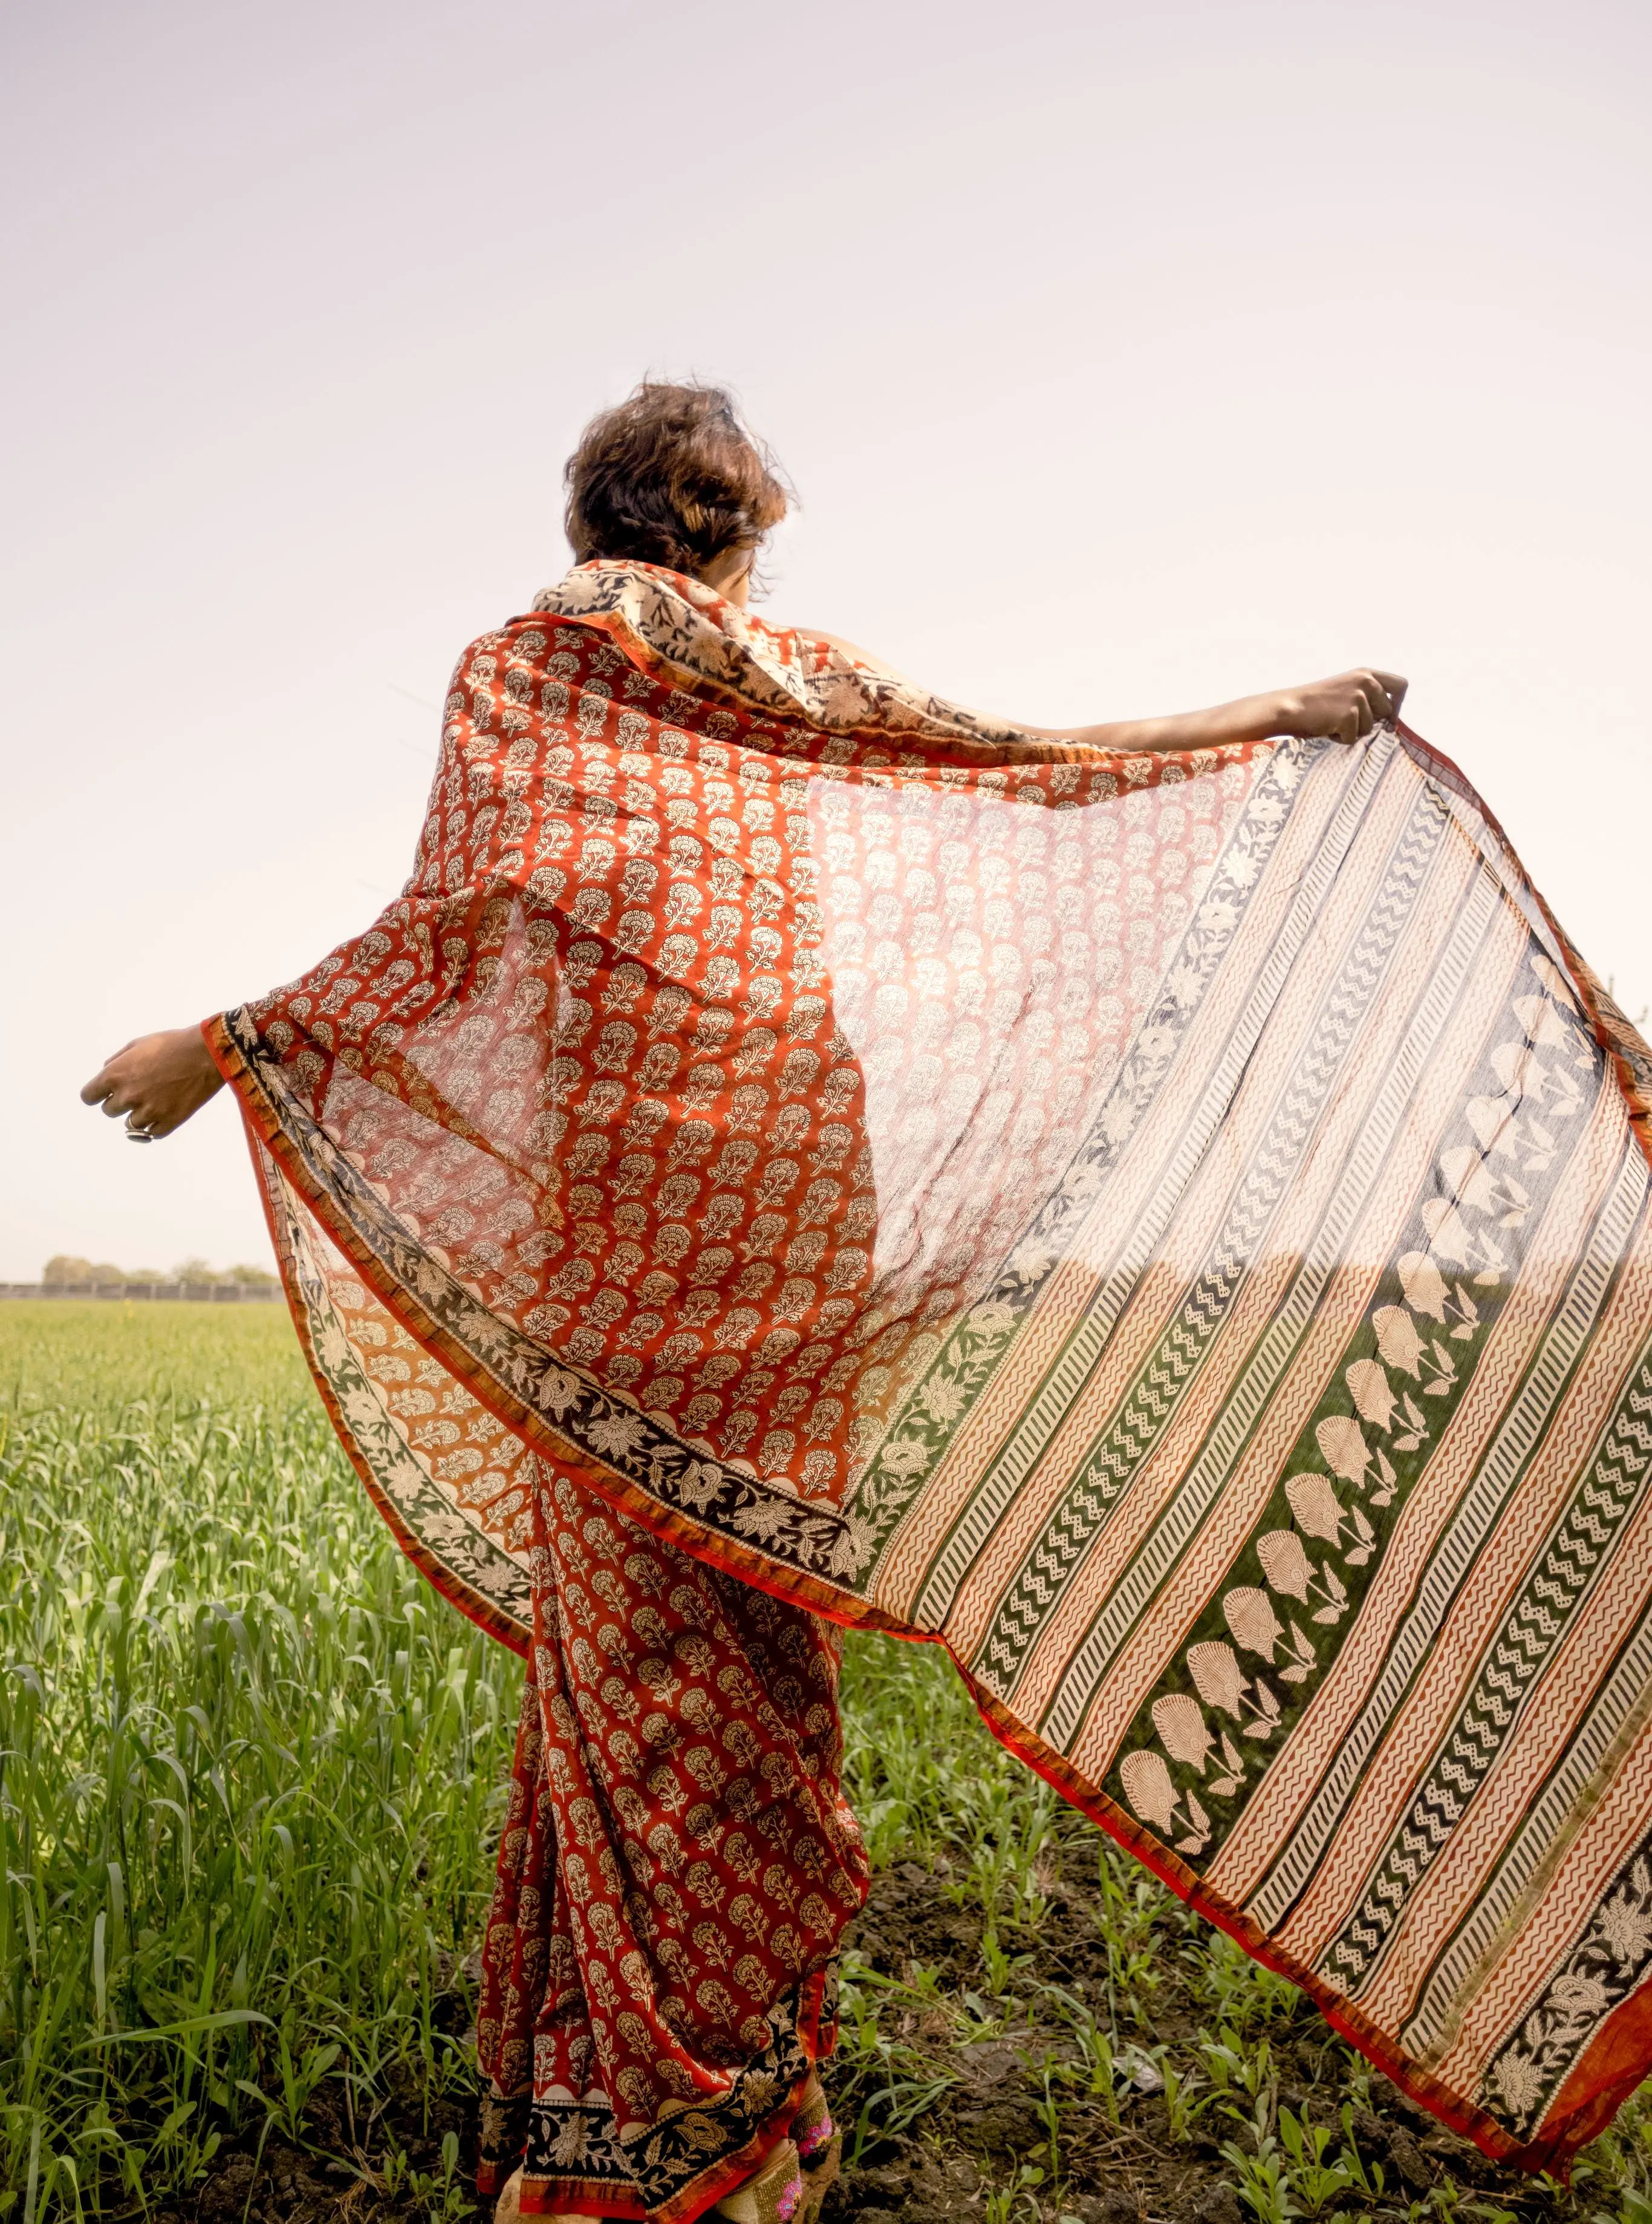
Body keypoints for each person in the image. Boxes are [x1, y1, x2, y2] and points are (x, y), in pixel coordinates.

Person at [82, 383, 1405, 2223]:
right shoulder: (769, 667)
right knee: (757, 1627)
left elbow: (453, 925)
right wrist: (1264, 712)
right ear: (725, 531)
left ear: (593, 521)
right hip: (800, 1174)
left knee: (633, 1651)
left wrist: (222, 1047)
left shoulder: (524, 667)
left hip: (640, 1195)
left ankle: (642, 2115)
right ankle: (743, 2094)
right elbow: (1014, 748)